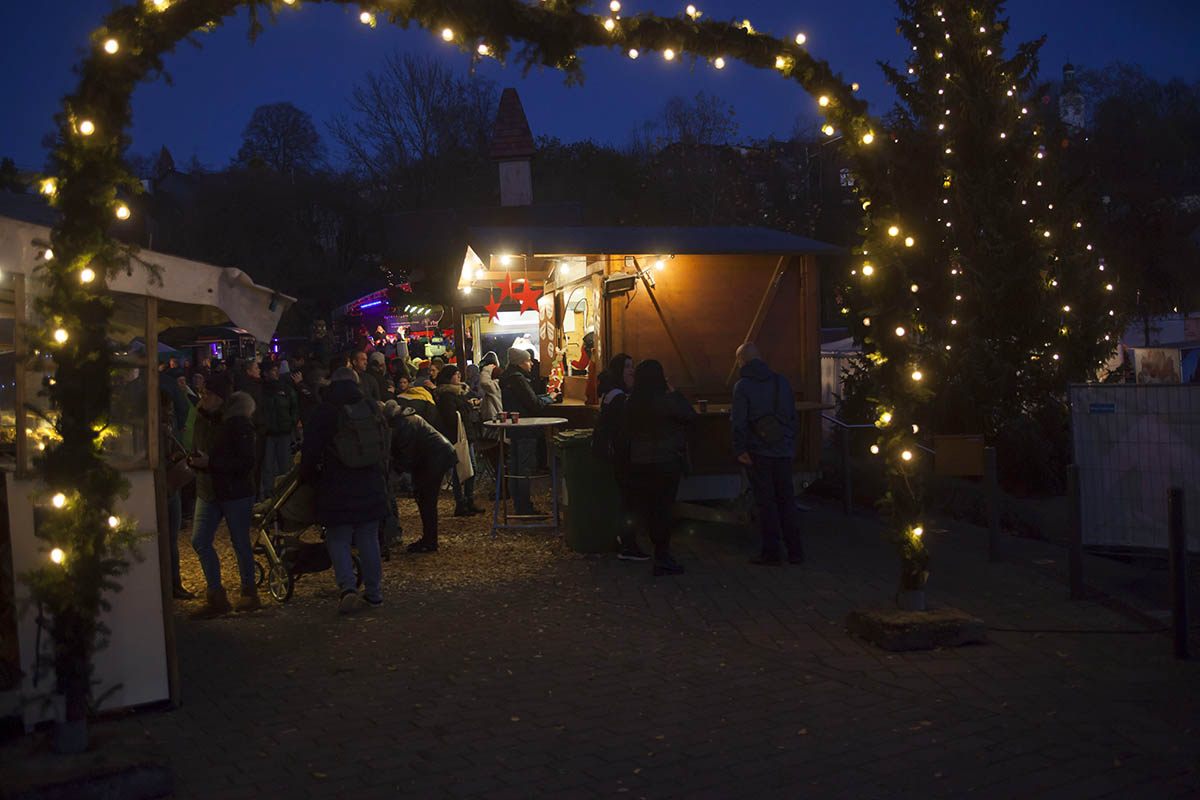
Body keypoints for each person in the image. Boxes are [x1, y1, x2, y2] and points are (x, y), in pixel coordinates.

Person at [300, 367, 389, 613]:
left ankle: (348, 588)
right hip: (370, 481)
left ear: (332, 383)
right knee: (368, 538)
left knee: (338, 537)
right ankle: (374, 593)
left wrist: (309, 479)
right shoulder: (370, 406)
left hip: (335, 483)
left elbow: (310, 451)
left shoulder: (324, 411)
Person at [188, 374, 260, 616]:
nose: (202, 397)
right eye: (202, 393)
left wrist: (211, 462)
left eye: (207, 394)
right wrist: (194, 460)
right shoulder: (201, 417)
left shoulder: (239, 423)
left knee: (240, 542)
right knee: (199, 540)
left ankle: (249, 592)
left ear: (220, 397)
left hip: (235, 492)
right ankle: (216, 595)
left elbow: (246, 462)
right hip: (208, 489)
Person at [617, 359, 697, 576]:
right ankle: (662, 556)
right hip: (666, 462)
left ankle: (652, 550)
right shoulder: (665, 400)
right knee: (663, 509)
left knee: (649, 509)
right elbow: (690, 416)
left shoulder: (631, 402)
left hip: (639, 463)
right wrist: (674, 391)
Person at [732, 342, 804, 566]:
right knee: (786, 500)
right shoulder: (780, 381)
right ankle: (795, 551)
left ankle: (771, 551)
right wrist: (788, 440)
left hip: (759, 451)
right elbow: (792, 414)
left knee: (766, 502)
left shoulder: (742, 386)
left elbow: (739, 422)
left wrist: (740, 449)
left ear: (741, 361)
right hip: (783, 449)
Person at [593, 353, 648, 561]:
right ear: (618, 370)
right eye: (627, 367)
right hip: (623, 454)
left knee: (625, 498)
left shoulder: (610, 393)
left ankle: (623, 540)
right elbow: (625, 427)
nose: (631, 370)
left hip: (614, 453)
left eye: (632, 366)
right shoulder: (620, 397)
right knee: (628, 500)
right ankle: (628, 544)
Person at [387, 401, 456, 553]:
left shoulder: (405, 424)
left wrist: (392, 475)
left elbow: (406, 456)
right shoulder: (409, 418)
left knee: (427, 501)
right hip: (438, 456)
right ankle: (429, 539)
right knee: (426, 500)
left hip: (435, 459)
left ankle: (430, 542)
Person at [500, 347, 557, 516]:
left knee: (515, 469)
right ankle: (525, 508)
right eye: (528, 360)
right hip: (526, 429)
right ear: (520, 363)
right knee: (524, 469)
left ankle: (519, 506)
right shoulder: (518, 379)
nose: (531, 363)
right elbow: (534, 404)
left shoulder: (508, 378)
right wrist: (550, 398)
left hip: (514, 429)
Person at [433, 365, 484, 517]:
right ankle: (461, 502)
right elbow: (450, 417)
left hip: (466, 435)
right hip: (457, 436)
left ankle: (468, 500)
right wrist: (467, 408)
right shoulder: (447, 395)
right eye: (455, 374)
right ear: (449, 378)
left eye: (459, 373)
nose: (459, 376)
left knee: (470, 469)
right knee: (461, 470)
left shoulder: (460, 392)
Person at [160, 390, 194, 599]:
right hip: (165, 484)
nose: (170, 413)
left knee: (172, 539)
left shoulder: (168, 425)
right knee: (169, 539)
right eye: (168, 409)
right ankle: (171, 583)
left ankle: (175, 582)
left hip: (172, 485)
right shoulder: (157, 429)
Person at [260, 361, 300, 497]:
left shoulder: (285, 389)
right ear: (265, 373)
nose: (276, 372)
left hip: (283, 431)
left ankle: (284, 492)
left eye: (277, 370)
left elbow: (294, 406)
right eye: (272, 370)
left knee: (285, 465)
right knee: (268, 466)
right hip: (268, 433)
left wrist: (291, 423)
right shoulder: (261, 390)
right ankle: (269, 493)